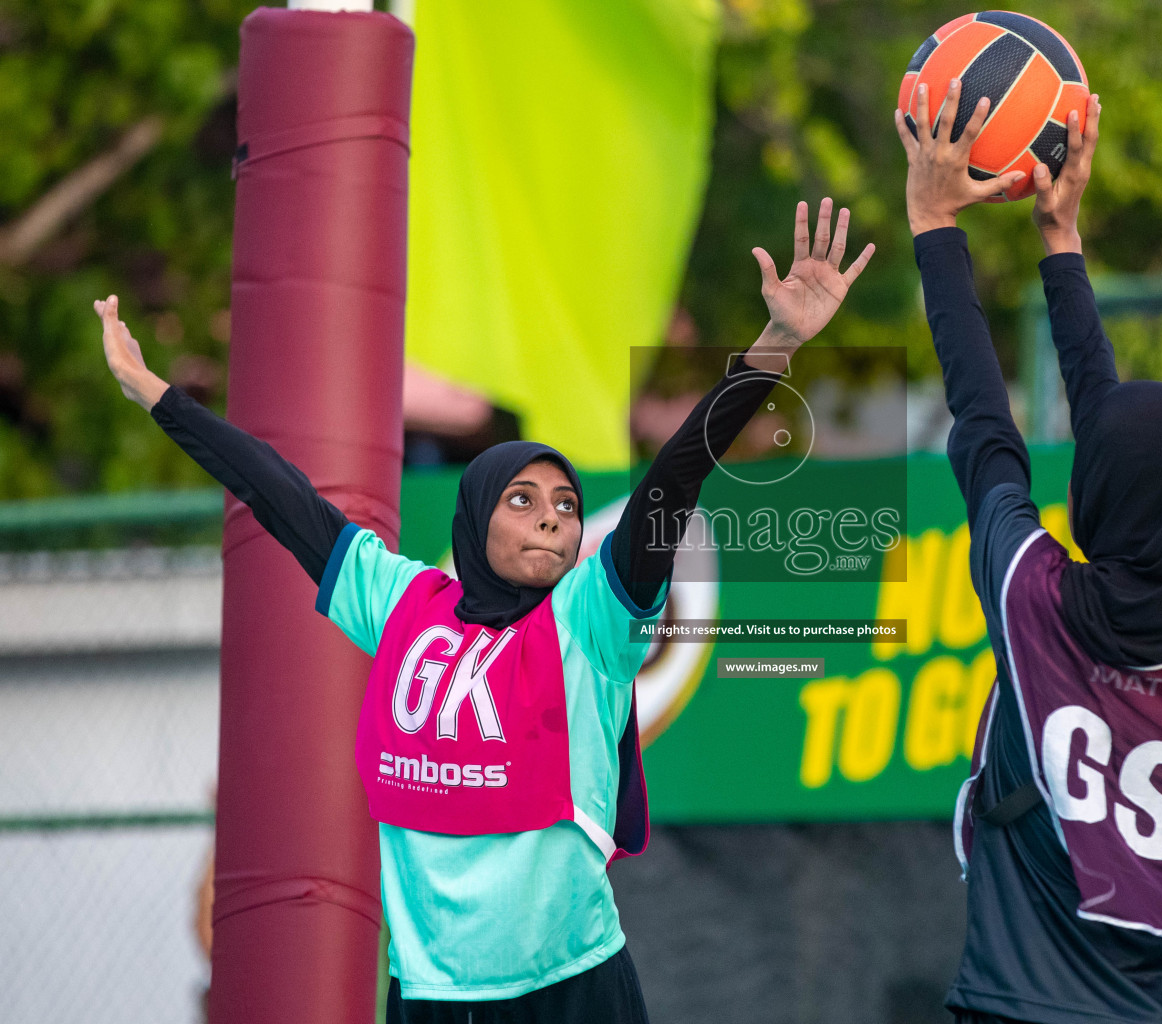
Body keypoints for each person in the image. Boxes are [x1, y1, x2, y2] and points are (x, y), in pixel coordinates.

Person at [96, 199, 874, 1024]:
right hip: (433, 994)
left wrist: (775, 344)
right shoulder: (401, 601)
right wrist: (157, 396)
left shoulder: (590, 620)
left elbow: (673, 479)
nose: (552, 515)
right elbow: (279, 493)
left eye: (568, 505)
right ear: (473, 517)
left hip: (573, 985)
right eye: (523, 497)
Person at [896, 80, 1162, 1024]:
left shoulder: (1035, 603)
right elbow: (1117, 443)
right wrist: (1060, 242)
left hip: (1026, 1007)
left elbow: (984, 415)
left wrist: (936, 224)